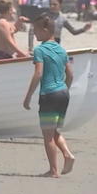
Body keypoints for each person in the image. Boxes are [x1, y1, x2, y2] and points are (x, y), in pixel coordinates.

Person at [22, 13, 75, 178]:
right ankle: (67, 154)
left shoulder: (40, 50)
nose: (35, 34)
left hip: (49, 95)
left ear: (45, 30)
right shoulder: (61, 49)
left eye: (36, 31)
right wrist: (64, 89)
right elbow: (71, 74)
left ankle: (53, 171)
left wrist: (28, 96)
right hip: (63, 94)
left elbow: (38, 74)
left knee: (47, 136)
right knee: (53, 130)